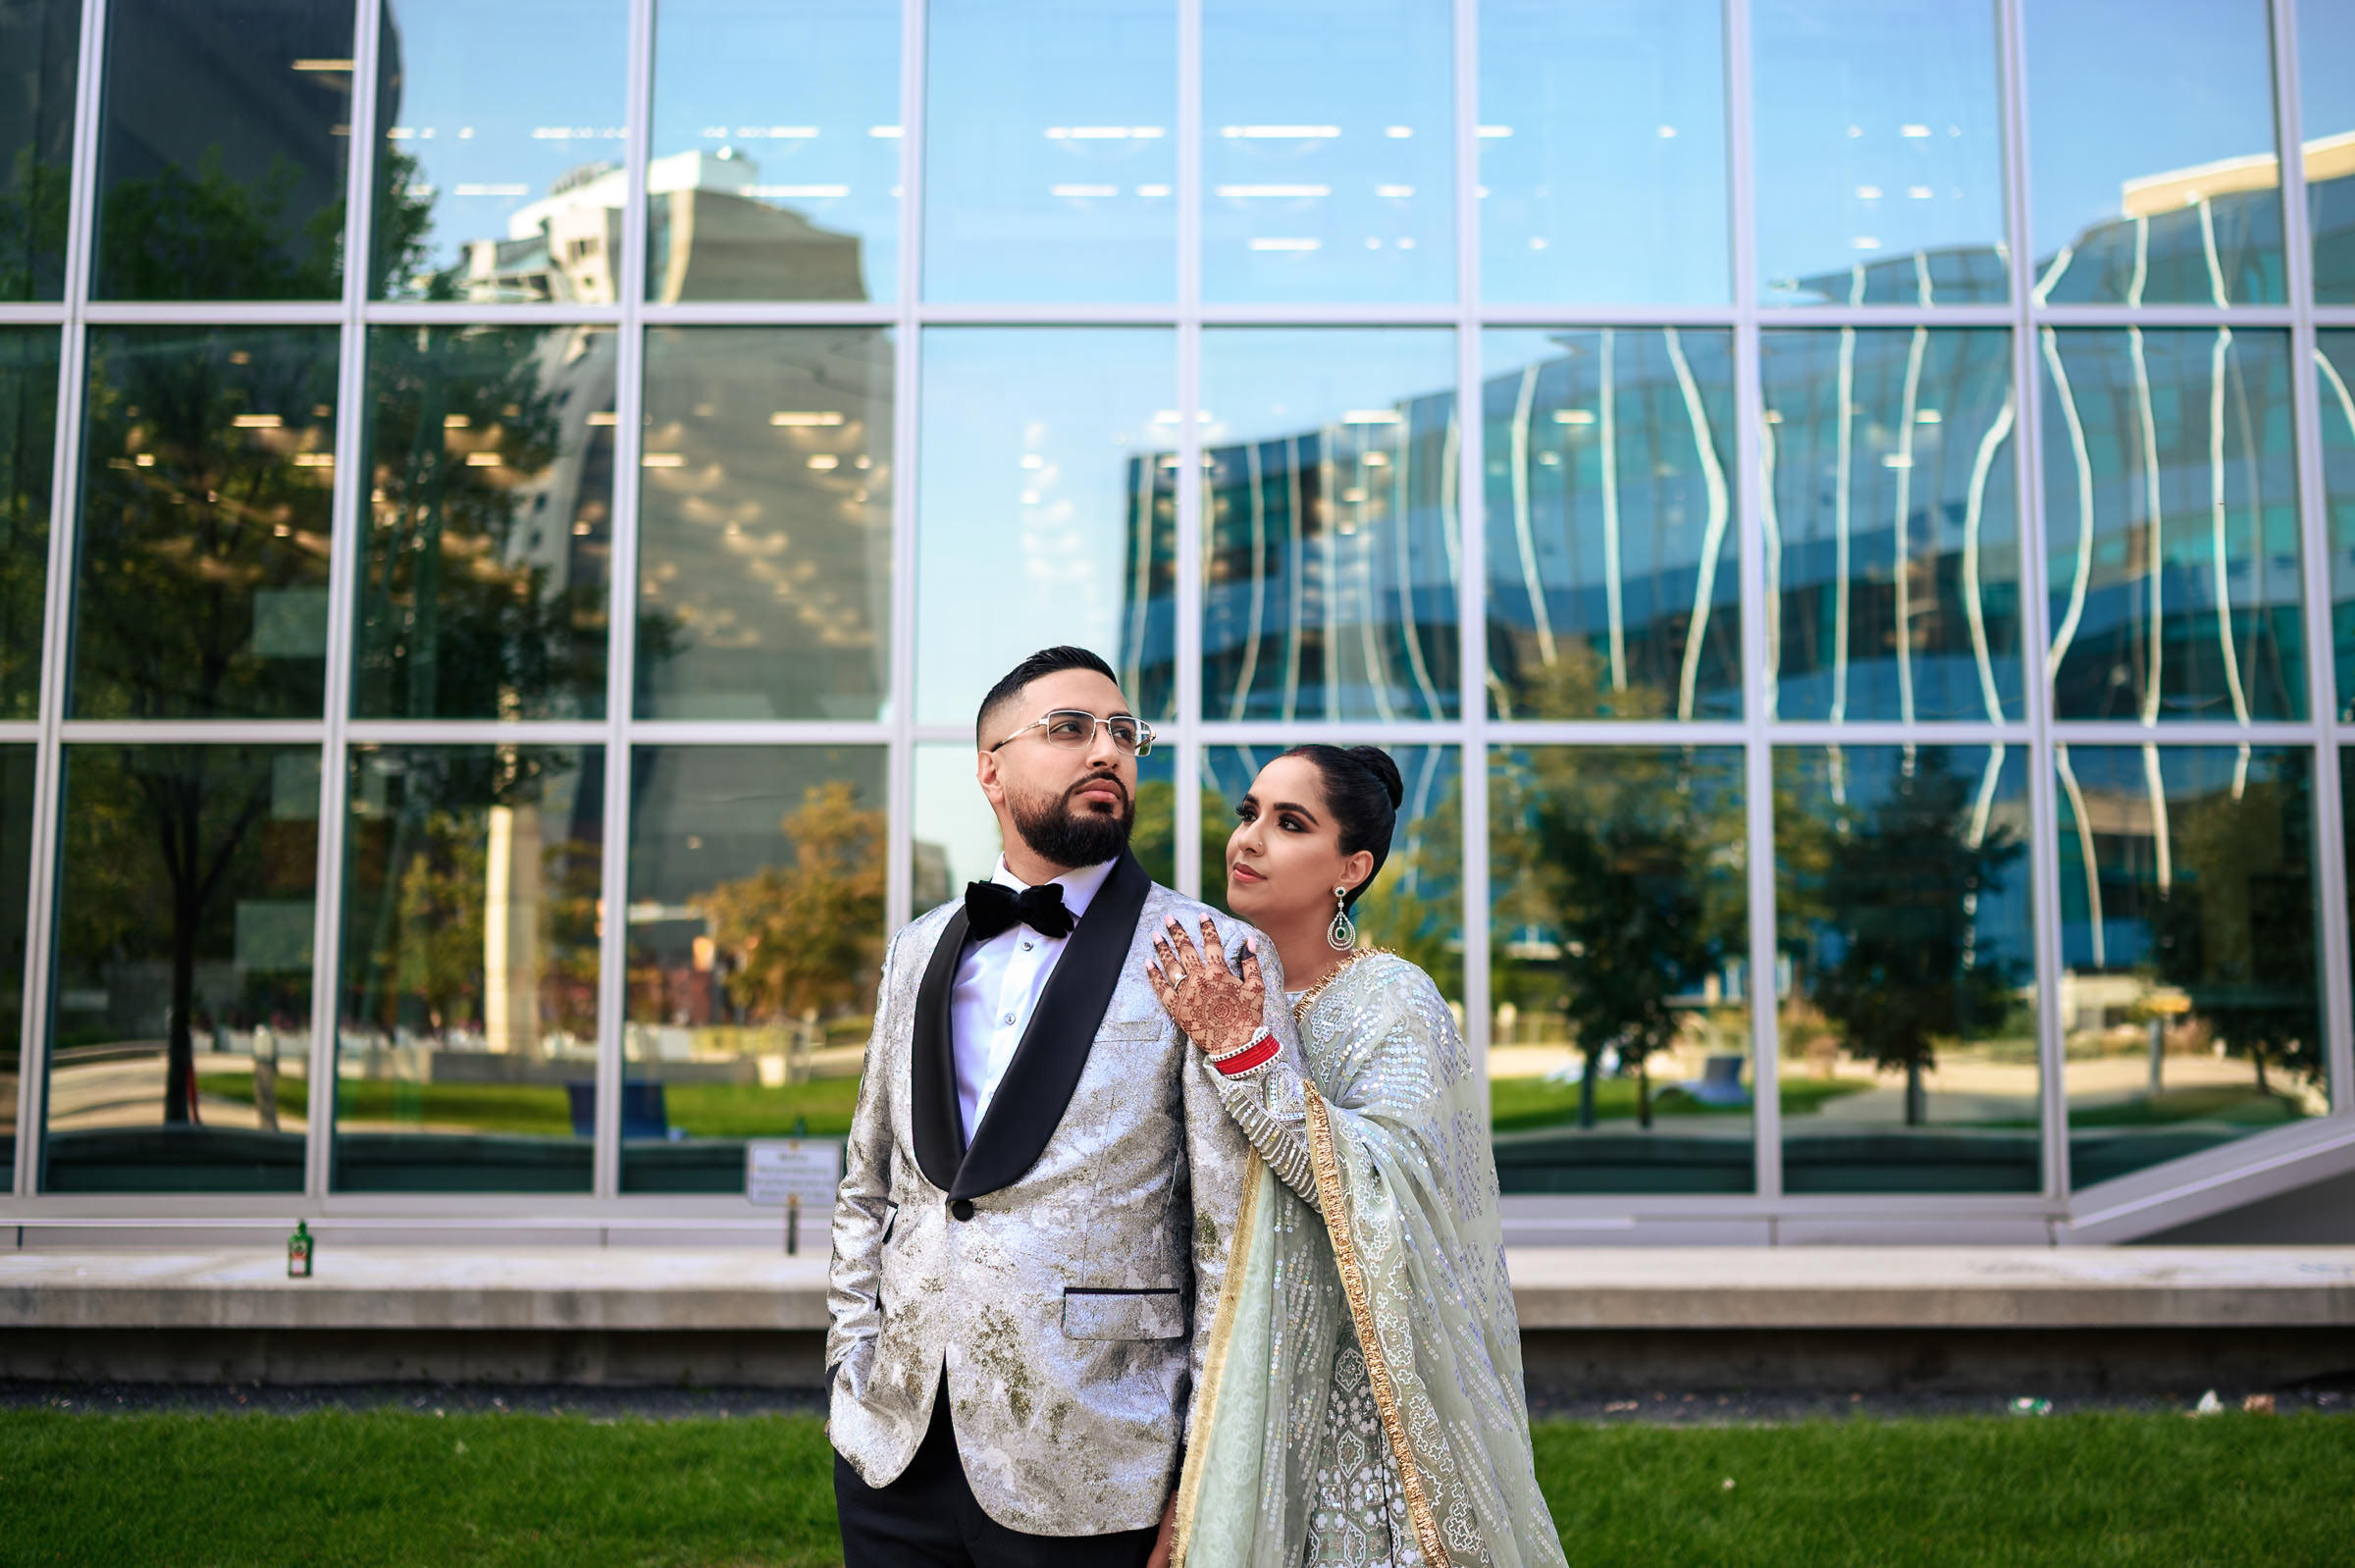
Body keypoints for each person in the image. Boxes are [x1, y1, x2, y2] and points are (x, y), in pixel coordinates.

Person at [827, 646, 1298, 1567]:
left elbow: (1235, 1245)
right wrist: (852, 1371)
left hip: (1096, 1467)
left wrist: (1199, 1482)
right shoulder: (916, 950)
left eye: (1124, 733)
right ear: (989, 768)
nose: (1108, 751)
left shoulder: (1211, 954)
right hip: (894, 1451)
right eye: (1071, 729)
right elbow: (867, 1183)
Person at [1148, 745, 1567, 1568]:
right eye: (1249, 813)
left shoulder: (1392, 998)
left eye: (1290, 822)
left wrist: (1246, 1055)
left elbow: (1389, 1190)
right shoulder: (1213, 987)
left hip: (1358, 1409)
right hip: (1216, 1373)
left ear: (1352, 866)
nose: (1250, 839)